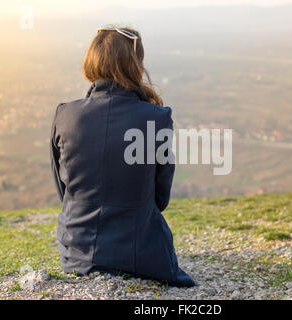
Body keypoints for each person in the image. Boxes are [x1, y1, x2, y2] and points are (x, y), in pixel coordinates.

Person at [50, 26, 195, 287]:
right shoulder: (156, 118)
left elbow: (65, 194)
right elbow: (160, 198)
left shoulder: (65, 115)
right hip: (142, 255)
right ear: (135, 65)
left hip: (77, 255)